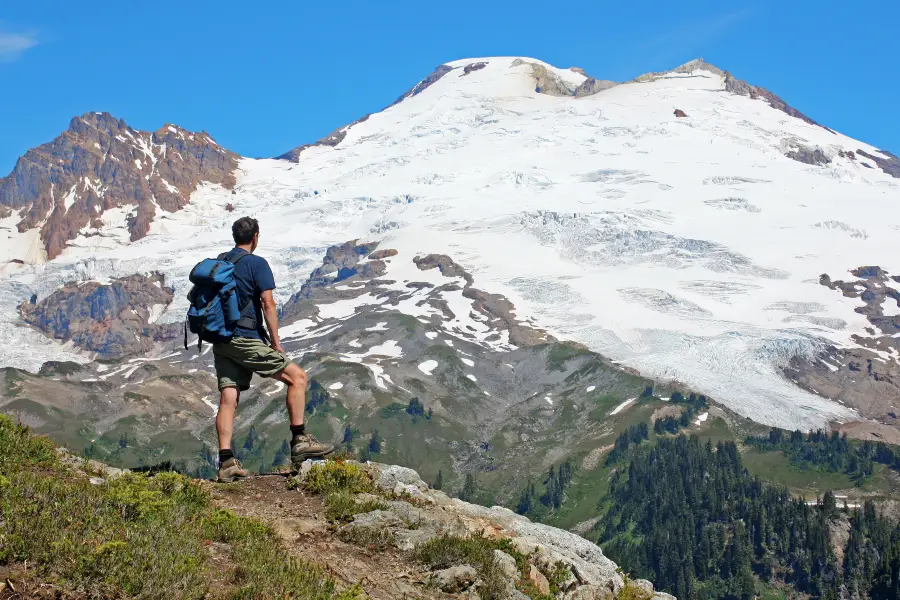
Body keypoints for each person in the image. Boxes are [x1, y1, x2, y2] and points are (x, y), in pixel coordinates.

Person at [213, 216, 334, 482]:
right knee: (297, 377)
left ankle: (226, 462)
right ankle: (300, 441)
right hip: (245, 337)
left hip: (221, 340)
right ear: (256, 236)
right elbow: (268, 303)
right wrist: (276, 343)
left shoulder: (221, 261)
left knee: (228, 397)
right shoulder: (257, 263)